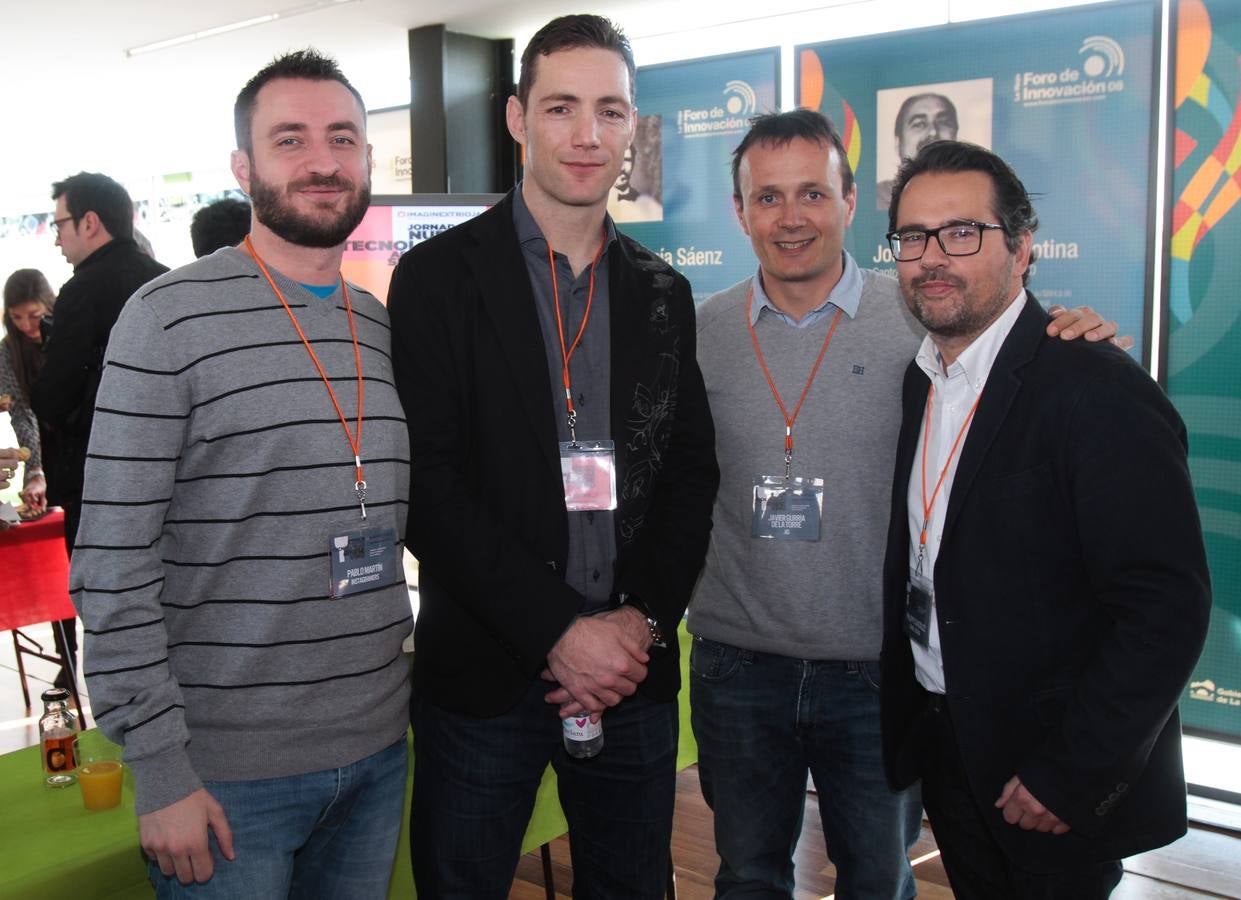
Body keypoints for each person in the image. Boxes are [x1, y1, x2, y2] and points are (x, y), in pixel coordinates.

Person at [689, 110, 1118, 899]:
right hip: (735, 666)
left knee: (878, 881)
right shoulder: (699, 329)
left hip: (878, 672)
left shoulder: (924, 314)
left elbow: (1017, 347)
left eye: (813, 192)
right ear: (740, 210)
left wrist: (1072, 333)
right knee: (746, 876)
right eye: (769, 197)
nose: (791, 218)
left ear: (851, 200)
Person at [387, 14, 719, 898]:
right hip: (488, 679)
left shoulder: (660, 290)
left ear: (631, 128)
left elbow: (690, 474)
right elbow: (427, 484)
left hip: (630, 673)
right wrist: (557, 632)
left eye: (609, 111)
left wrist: (636, 626)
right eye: (562, 107)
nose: (585, 135)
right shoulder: (436, 280)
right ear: (515, 118)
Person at [72, 49, 412, 898]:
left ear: (367, 159)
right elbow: (111, 562)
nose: (322, 161)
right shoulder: (165, 319)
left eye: (342, 137)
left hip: (376, 755)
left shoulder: (379, 323)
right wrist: (159, 767)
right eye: (289, 139)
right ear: (243, 167)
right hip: (226, 781)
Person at [880, 140, 1211, 898]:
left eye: (962, 233)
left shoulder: (1093, 387)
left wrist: (1071, 774)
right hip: (951, 748)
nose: (932, 257)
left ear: (1022, 247)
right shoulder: (921, 377)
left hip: (1049, 778)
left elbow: (1165, 607)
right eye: (911, 238)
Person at [29, 172, 167, 690]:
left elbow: (54, 395)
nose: (58, 237)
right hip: (177, 485)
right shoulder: (166, 279)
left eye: (60, 223)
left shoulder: (83, 290)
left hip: (102, 484)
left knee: (114, 622)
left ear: (90, 222)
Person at [1, 269, 55, 515]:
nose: (26, 325)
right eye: (16, 317)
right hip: (36, 451)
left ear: (49, 305)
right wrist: (35, 470)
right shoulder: (8, 350)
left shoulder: (66, 335)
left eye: (34, 315)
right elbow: (22, 414)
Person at [876, 93, 958, 209]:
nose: (933, 132)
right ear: (898, 143)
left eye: (943, 122)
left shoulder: (975, 194)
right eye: (919, 124)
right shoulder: (875, 197)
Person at [609, 144, 663, 222]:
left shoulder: (648, 205)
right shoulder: (597, 205)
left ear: (633, 164)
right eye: (618, 160)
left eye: (627, 160)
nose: (622, 168)